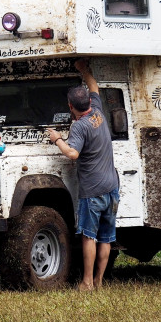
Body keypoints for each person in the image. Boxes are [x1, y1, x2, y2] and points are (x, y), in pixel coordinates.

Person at [46, 58, 120, 291]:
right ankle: (99, 281)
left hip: (93, 191)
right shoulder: (98, 112)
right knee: (106, 237)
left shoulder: (79, 126)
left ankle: (87, 282)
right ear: (88, 102)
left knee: (89, 236)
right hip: (111, 187)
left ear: (70, 106)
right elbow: (95, 86)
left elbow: (73, 153)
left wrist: (57, 138)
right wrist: (84, 70)